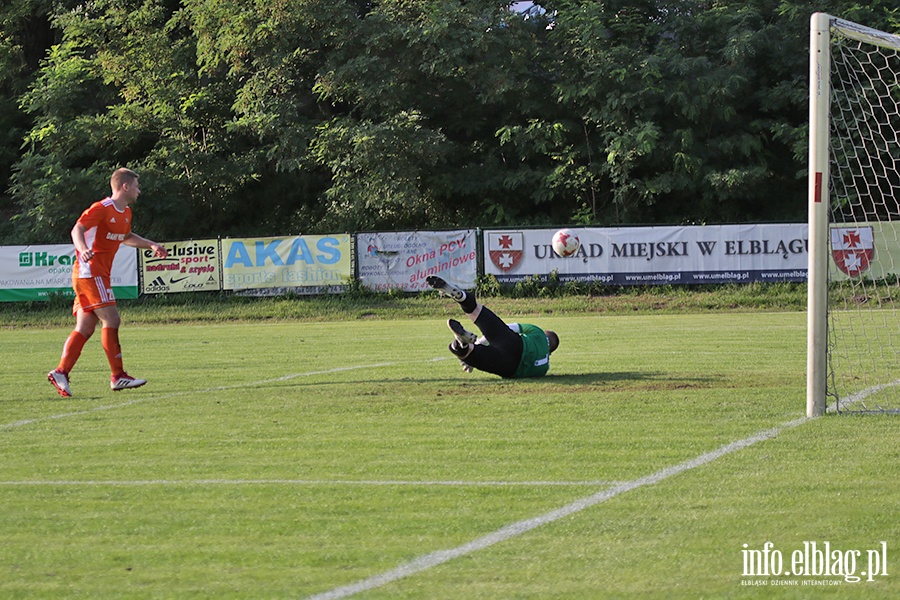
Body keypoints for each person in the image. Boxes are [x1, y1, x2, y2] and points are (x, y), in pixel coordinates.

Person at [47, 168, 168, 397]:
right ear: (125, 186)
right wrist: (83, 249)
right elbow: (77, 229)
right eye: (136, 186)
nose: (138, 190)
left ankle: (61, 371)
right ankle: (118, 376)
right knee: (112, 318)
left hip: (96, 274)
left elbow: (127, 237)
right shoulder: (101, 208)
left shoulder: (126, 213)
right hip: (90, 273)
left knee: (85, 327)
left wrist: (151, 244)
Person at [426, 275, 559, 378]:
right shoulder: (544, 367)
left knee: (476, 311)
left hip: (517, 344)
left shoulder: (538, 333)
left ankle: (463, 298)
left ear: (545, 333)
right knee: (462, 352)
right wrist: (474, 354)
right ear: (550, 352)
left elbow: (511, 327)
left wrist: (482, 340)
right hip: (510, 368)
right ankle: (463, 345)